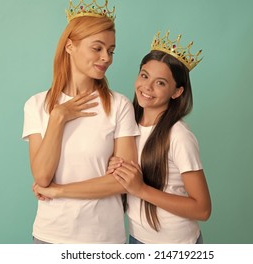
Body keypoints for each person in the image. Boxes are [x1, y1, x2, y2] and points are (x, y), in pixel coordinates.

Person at [34, 31, 212, 244]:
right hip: (138, 238)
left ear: (177, 92)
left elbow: (202, 209)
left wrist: (140, 189)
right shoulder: (131, 123)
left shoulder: (178, 135)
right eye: (144, 76)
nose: (147, 87)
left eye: (161, 83)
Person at [22, 0, 139, 244]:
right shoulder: (37, 105)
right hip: (51, 236)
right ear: (70, 46)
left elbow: (123, 182)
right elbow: (42, 177)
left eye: (110, 50)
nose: (106, 57)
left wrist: (59, 191)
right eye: (97, 48)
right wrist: (59, 117)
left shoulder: (119, 106)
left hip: (105, 238)